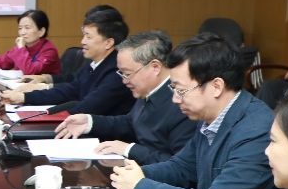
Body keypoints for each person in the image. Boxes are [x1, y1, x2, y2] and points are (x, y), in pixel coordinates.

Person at [112, 33, 275, 189]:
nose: (175, 99)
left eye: (181, 91)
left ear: (216, 87)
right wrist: (135, 173)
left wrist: (141, 188)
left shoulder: (257, 132)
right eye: (174, 90)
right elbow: (183, 168)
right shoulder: (211, 114)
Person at [54, 30, 196, 164]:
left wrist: (129, 149)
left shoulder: (183, 104)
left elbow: (181, 167)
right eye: (121, 73)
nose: (124, 81)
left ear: (155, 67)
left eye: (127, 73)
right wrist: (90, 122)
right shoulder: (147, 89)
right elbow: (131, 123)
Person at [0, 6, 134, 117]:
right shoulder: (93, 64)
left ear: (108, 43)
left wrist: (43, 115)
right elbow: (70, 90)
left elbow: (87, 107)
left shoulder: (117, 71)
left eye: (88, 37)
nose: (82, 42)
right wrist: (23, 97)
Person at [0, 9, 61, 77]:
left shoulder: (49, 51)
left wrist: (21, 49)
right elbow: (3, 61)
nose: (22, 32)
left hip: (44, 88)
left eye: (27, 28)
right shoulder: (22, 47)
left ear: (41, 31)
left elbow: (30, 71)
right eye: (20, 28)